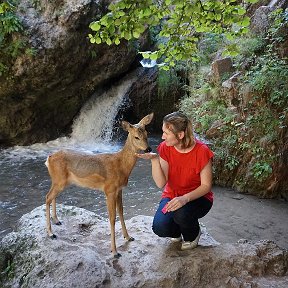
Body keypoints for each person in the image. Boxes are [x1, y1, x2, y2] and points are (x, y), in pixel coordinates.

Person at [136, 111, 214, 250]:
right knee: (159, 228)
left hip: (199, 198)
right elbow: (161, 183)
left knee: (181, 214)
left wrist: (184, 199)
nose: (162, 136)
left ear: (180, 135)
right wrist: (154, 160)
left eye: (166, 133)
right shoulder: (165, 148)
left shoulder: (202, 151)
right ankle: (177, 232)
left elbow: (206, 186)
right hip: (173, 195)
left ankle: (193, 234)